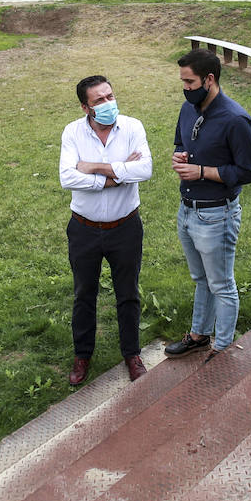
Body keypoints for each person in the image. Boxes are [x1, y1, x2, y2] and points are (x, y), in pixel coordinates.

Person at [59, 75, 153, 385]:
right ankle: (82, 355)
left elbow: (145, 169)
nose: (108, 103)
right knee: (84, 294)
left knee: (128, 293)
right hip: (84, 229)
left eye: (109, 96)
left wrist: (95, 167)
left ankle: (132, 354)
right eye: (99, 100)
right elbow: (67, 178)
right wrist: (116, 174)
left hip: (125, 226)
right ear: (85, 106)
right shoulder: (73, 132)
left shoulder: (132, 127)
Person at [166, 48, 251, 359]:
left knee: (221, 283)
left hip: (216, 215)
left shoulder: (235, 119)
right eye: (183, 82)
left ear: (210, 79)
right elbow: (181, 141)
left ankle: (222, 347)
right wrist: (180, 154)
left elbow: (248, 172)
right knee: (200, 279)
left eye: (190, 82)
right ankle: (198, 335)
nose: (185, 88)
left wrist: (202, 172)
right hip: (187, 210)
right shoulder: (187, 108)